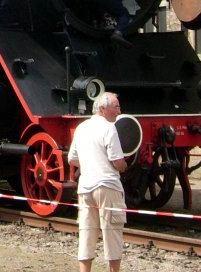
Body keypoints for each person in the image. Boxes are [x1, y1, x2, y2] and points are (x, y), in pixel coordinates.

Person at [67, 92, 128, 272]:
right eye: (116, 107)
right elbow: (117, 162)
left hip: (85, 188)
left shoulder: (81, 128)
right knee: (112, 234)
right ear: (103, 109)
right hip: (108, 186)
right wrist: (124, 165)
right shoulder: (109, 128)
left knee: (86, 233)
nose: (119, 111)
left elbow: (71, 159)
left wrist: (89, 163)